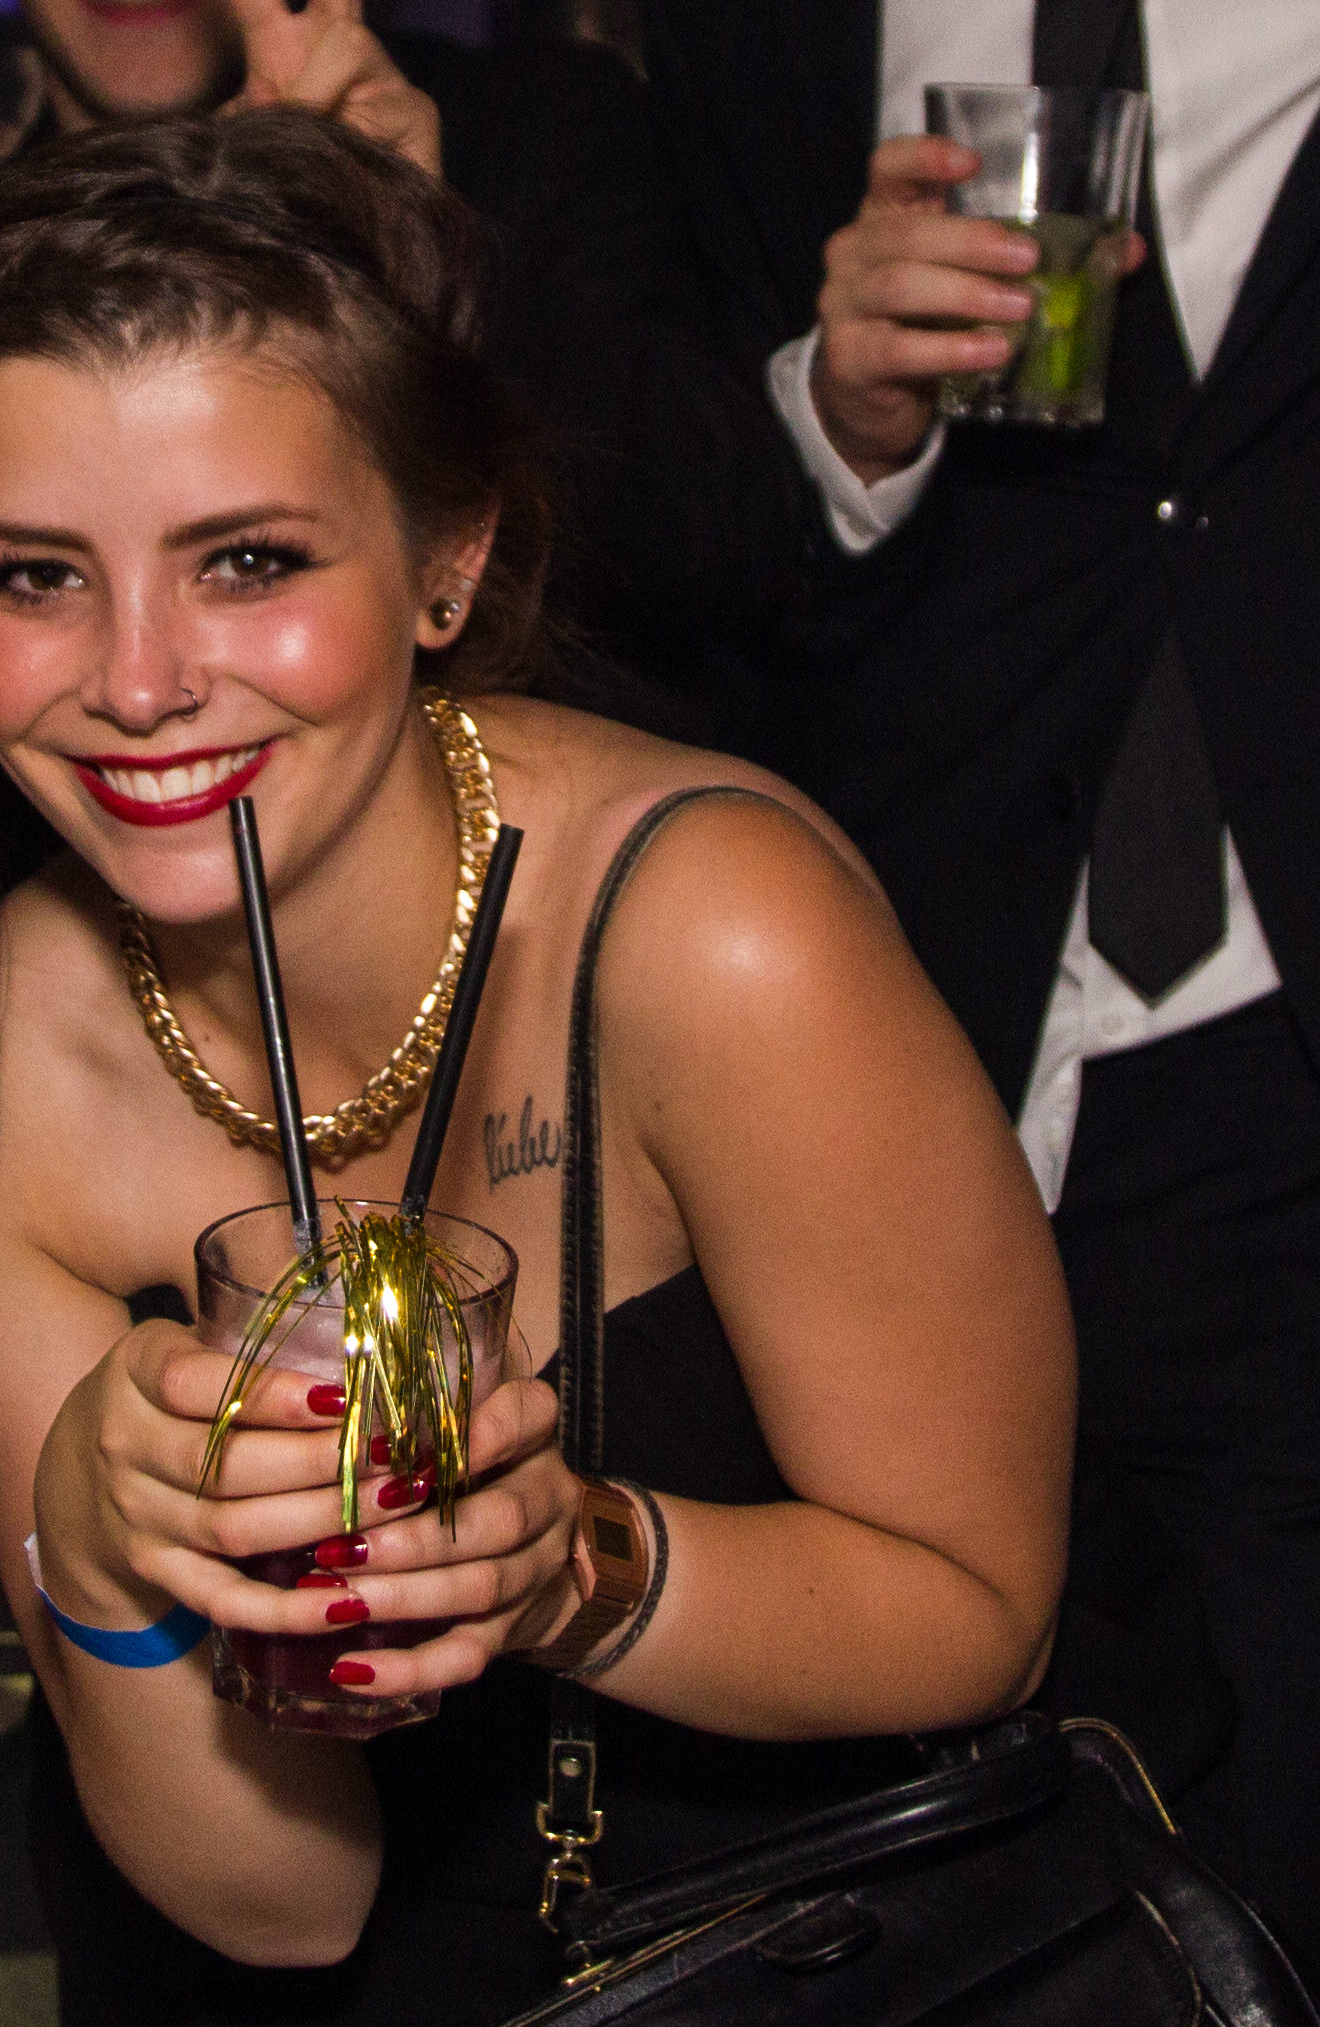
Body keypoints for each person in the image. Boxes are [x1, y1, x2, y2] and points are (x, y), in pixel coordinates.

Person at [0, 110, 1075, 2020]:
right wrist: (91, 1542)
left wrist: (568, 1570)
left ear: (447, 560)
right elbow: (282, 1903)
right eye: (32, 577)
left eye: (245, 559)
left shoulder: (710, 936)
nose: (139, 679)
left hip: (801, 1948)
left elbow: (979, 1613)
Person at [637, 0, 1320, 1966]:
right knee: (960, 1826)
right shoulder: (747, 41)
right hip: (913, 1005)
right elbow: (662, 524)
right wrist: (833, 414)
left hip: (1258, 1021)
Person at [0, 0, 798, 729]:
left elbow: (726, 560)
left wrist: (418, 279)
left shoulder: (542, 129)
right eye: (40, 576)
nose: (138, 685)